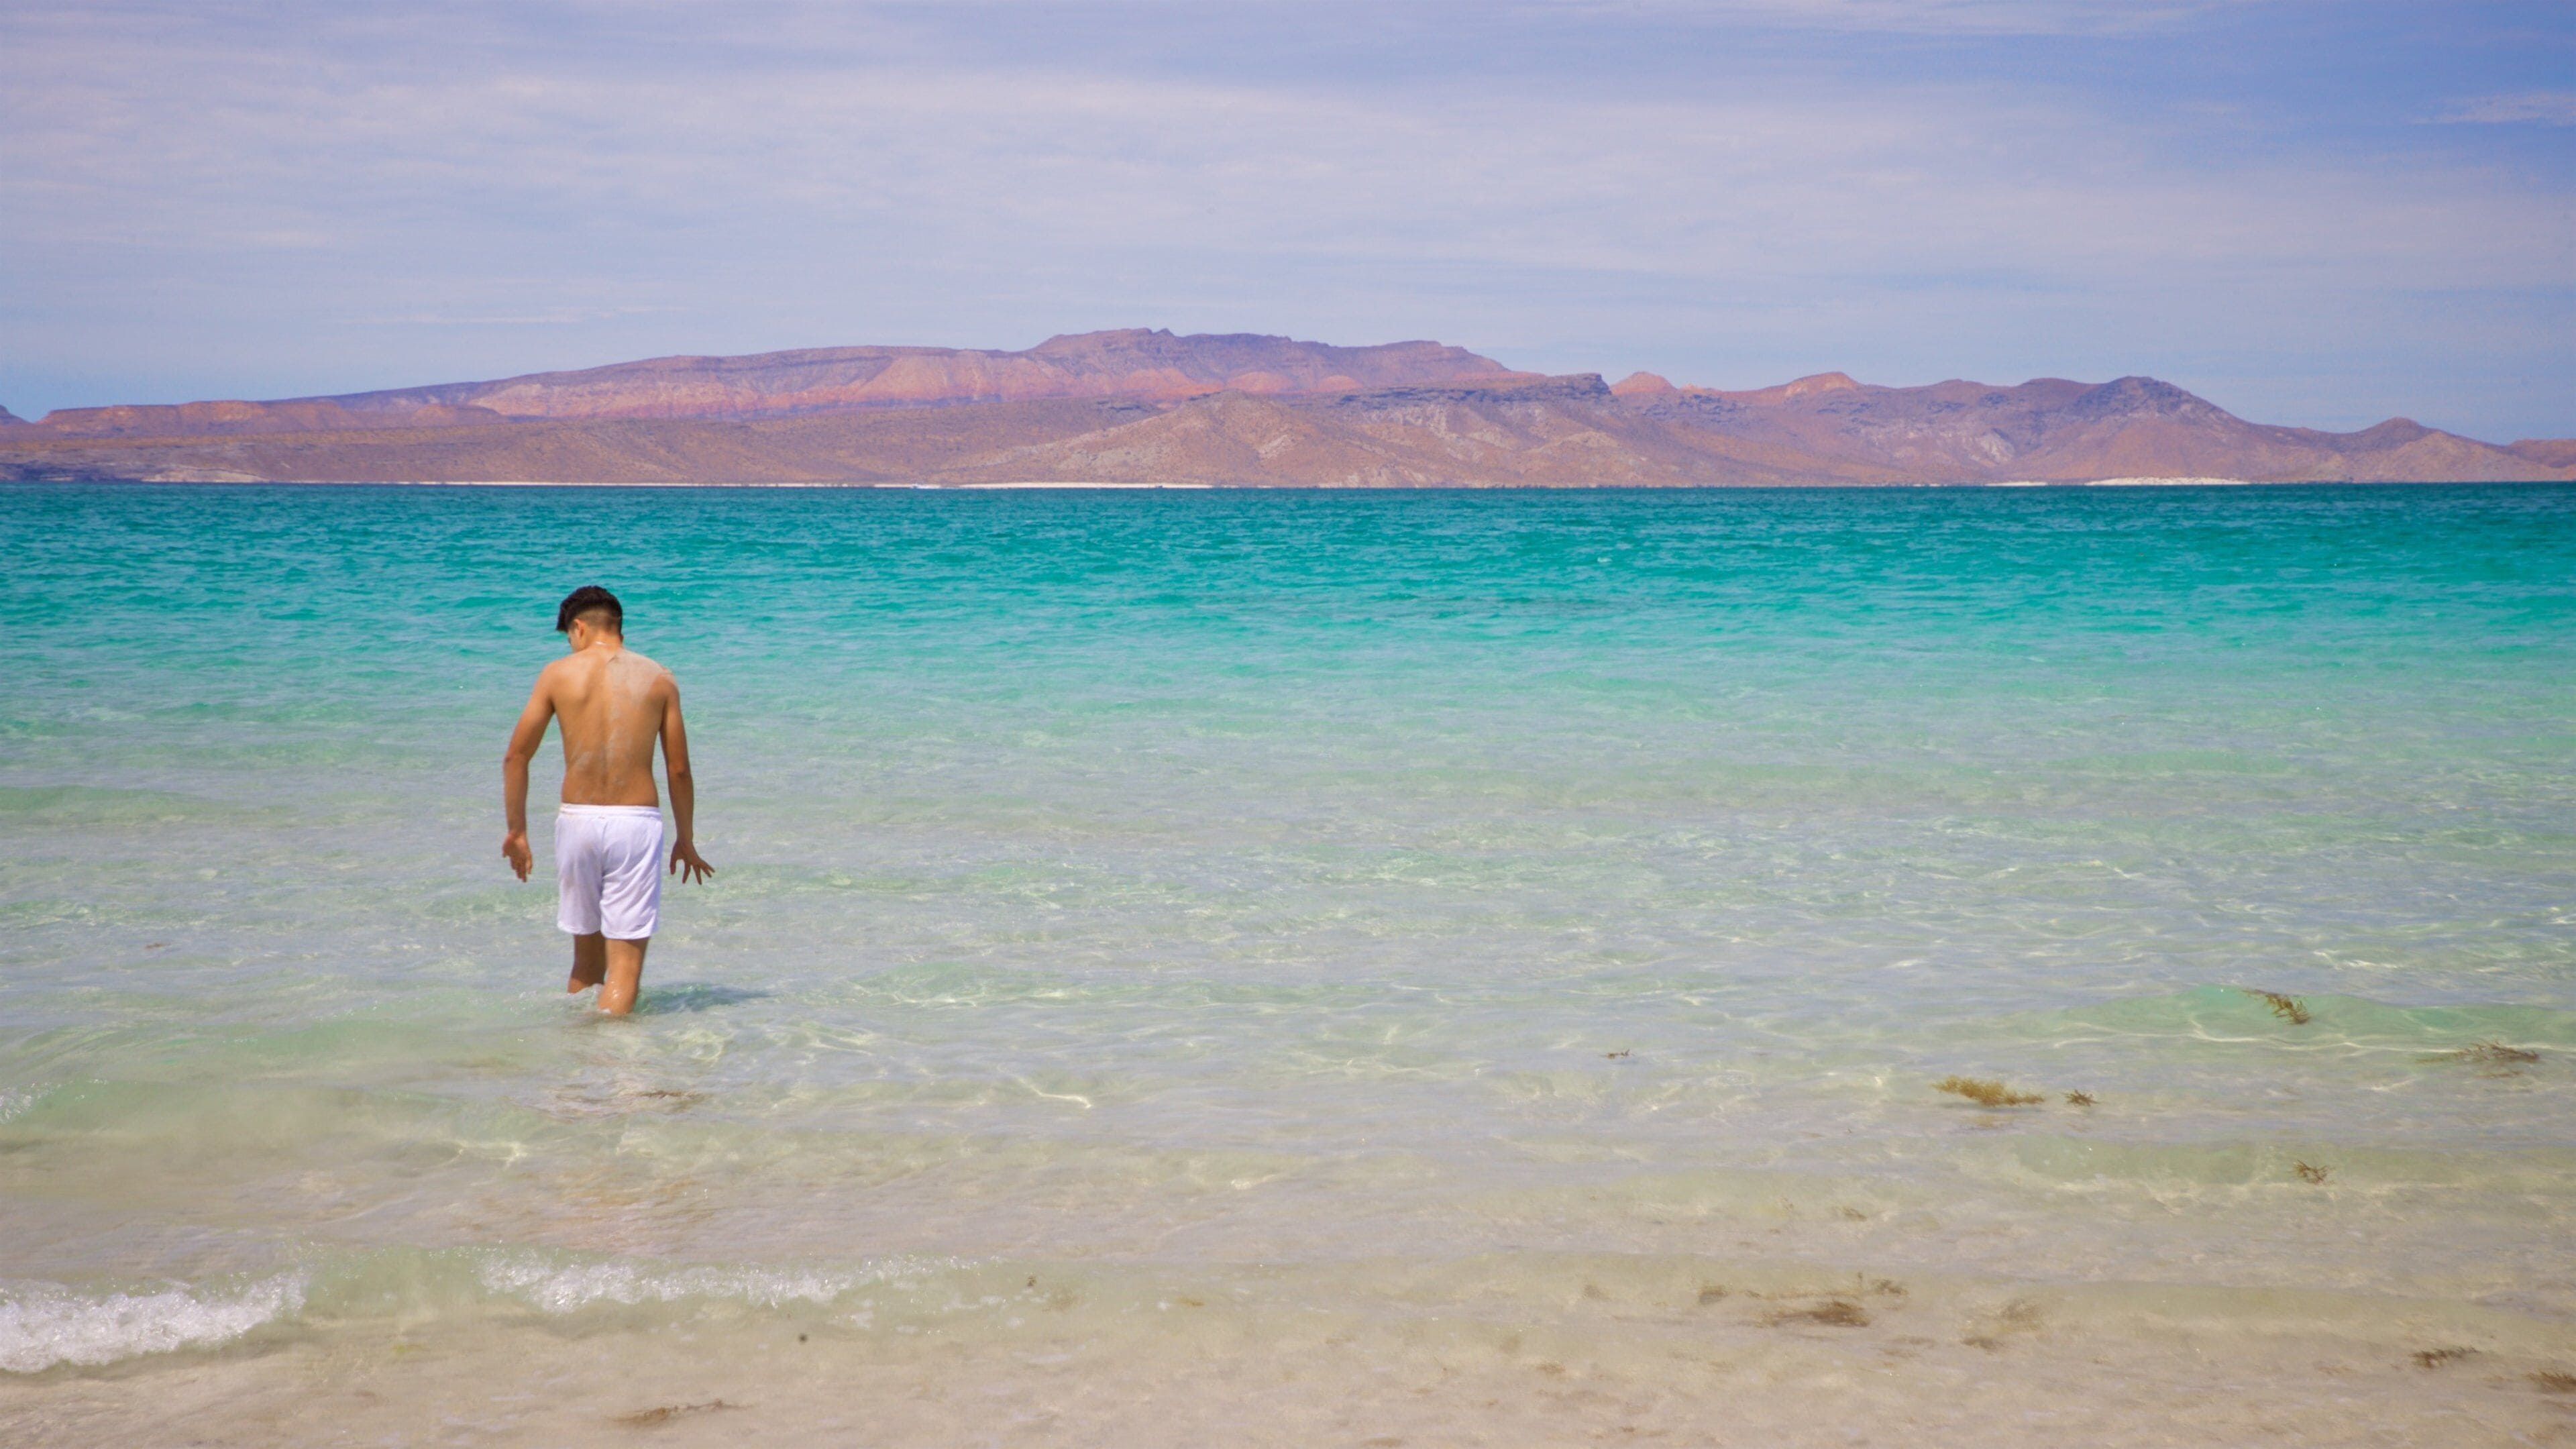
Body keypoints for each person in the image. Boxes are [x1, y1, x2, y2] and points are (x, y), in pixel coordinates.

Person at [501, 585, 714, 1014]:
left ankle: (580, 1067)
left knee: (585, 959)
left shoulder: (557, 675)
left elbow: (516, 756)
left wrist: (517, 831)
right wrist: (686, 839)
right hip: (634, 823)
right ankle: (622, 1067)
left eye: (569, 637)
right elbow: (679, 770)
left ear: (578, 628)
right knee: (625, 969)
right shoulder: (659, 678)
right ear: (615, 624)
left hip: (576, 822)